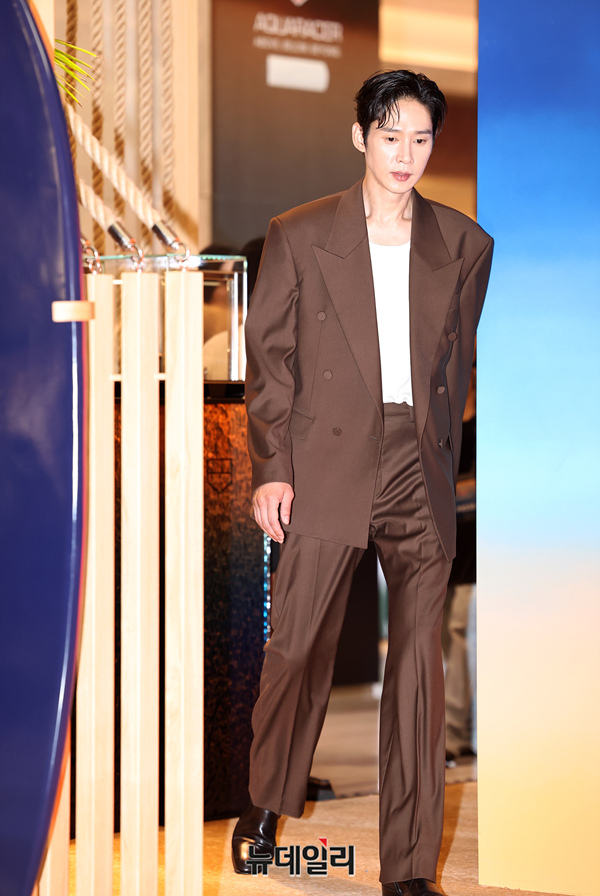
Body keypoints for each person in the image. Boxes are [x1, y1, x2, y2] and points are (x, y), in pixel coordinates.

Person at [232, 70, 493, 896]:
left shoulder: (465, 245)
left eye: (420, 138)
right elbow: (270, 365)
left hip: (417, 467)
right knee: (298, 645)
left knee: (418, 671)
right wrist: (273, 470)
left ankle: (408, 870)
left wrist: (441, 458)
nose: (405, 153)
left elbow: (455, 367)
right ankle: (267, 798)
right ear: (360, 138)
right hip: (325, 462)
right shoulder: (301, 233)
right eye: (390, 136)